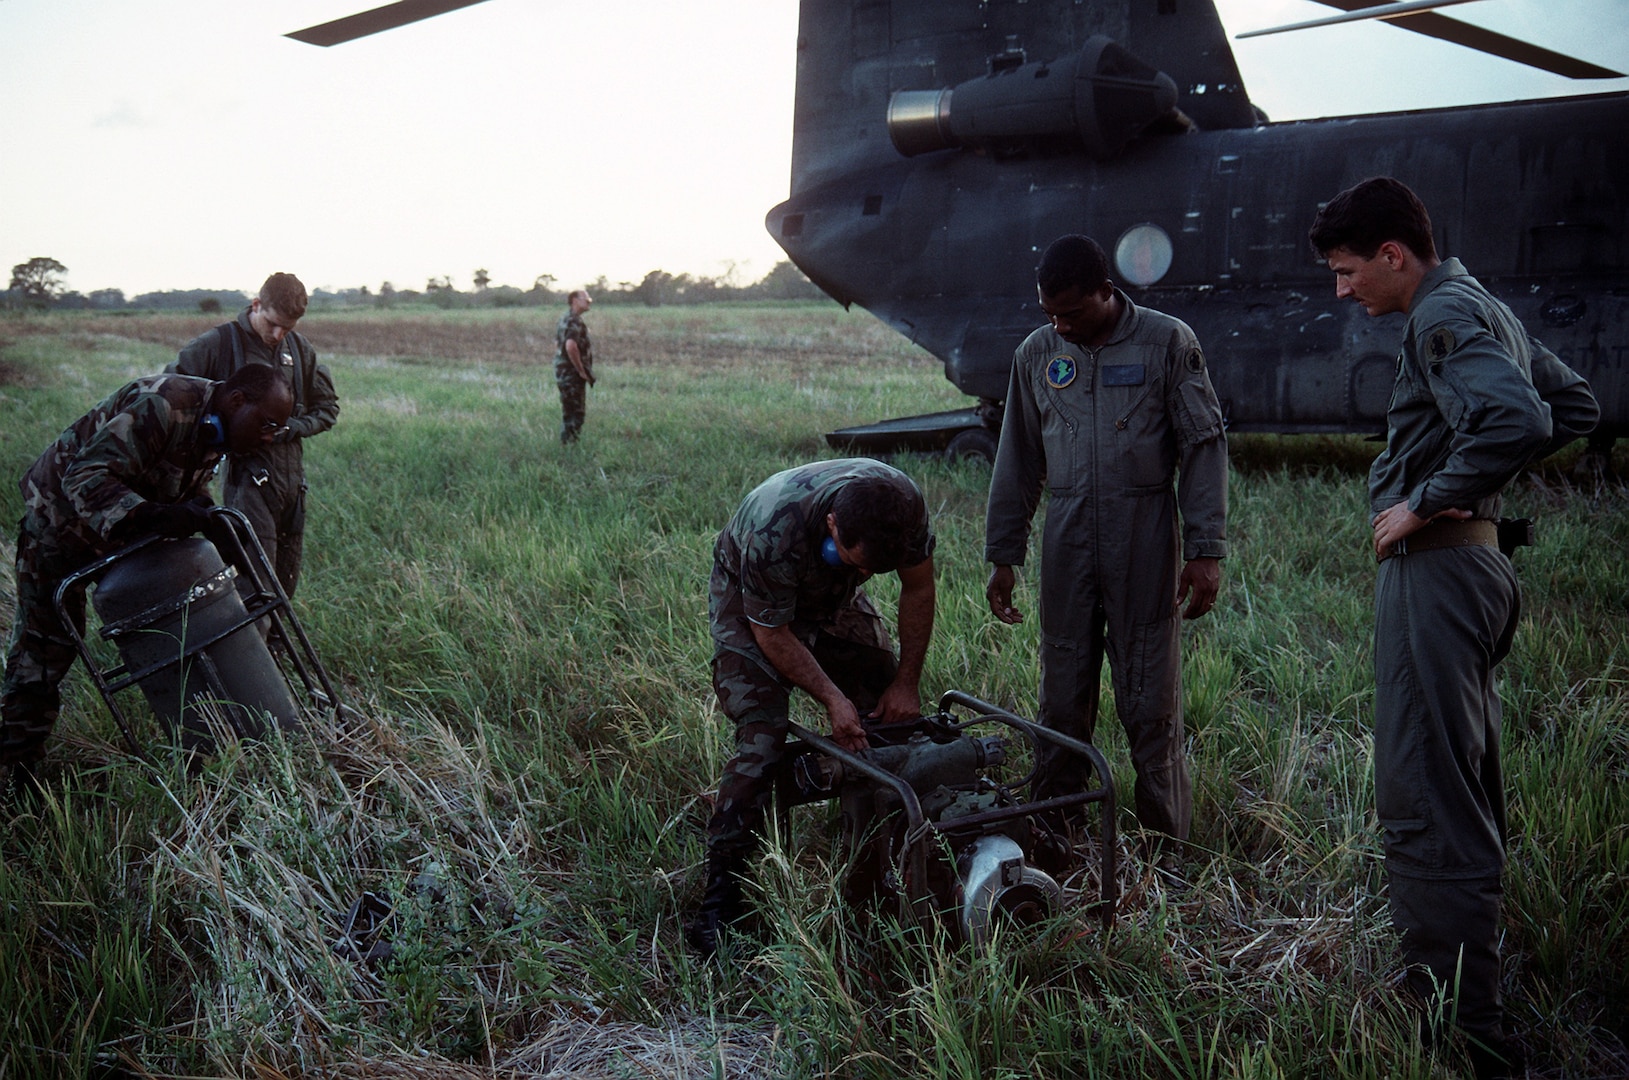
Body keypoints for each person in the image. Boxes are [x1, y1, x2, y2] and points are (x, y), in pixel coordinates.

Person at [1309, 176, 1598, 1078]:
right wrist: (1473, 497)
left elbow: (1516, 416)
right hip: (1481, 566)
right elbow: (1574, 406)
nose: (1342, 288)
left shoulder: (1439, 317)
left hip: (1437, 572)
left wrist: (1429, 502)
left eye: (1349, 270)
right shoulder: (1476, 304)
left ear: (1394, 255)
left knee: (1426, 795)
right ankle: (1464, 986)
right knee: (1461, 782)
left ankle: (1462, 1028)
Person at [984, 234, 1228, 851]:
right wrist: (1003, 555)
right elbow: (1017, 459)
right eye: (1050, 314)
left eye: (1074, 312)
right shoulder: (1036, 354)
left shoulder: (1168, 342)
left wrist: (1205, 549)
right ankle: (1052, 833)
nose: (1062, 326)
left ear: (1106, 292)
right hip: (1066, 540)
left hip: (1144, 535)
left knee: (1149, 700)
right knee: (1061, 699)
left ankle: (1164, 846)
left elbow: (1203, 445)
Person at [1, 366, 294, 795]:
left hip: (122, 535)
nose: (269, 436)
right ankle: (14, 775)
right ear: (236, 402)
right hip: (59, 528)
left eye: (279, 428)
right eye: (267, 423)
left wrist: (207, 520)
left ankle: (214, 738)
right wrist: (156, 516)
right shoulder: (165, 404)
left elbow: (177, 481)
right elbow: (84, 477)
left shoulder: (216, 430)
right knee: (43, 656)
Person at [688, 458, 937, 957]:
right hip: (753, 604)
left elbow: (918, 586)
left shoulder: (903, 506)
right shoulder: (771, 527)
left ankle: (878, 860)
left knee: (891, 715)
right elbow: (772, 633)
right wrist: (831, 698)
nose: (867, 574)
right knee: (763, 735)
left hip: (831, 596)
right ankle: (720, 900)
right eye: (857, 561)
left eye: (874, 570)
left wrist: (906, 683)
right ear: (831, 526)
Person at [168, 272, 338, 600]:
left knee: (285, 583)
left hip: (292, 483)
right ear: (256, 304)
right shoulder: (217, 344)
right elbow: (172, 395)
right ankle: (250, 650)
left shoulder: (301, 350)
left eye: (288, 328)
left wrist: (292, 429)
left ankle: (276, 650)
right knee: (256, 583)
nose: (278, 335)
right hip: (246, 479)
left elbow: (327, 409)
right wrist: (215, 433)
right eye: (273, 323)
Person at [555, 289, 595, 444]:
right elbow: (570, 346)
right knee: (575, 413)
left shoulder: (564, 318)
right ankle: (570, 446)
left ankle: (567, 444)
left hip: (563, 372)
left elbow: (557, 344)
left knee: (568, 410)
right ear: (575, 301)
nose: (589, 302)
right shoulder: (574, 321)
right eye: (586, 299)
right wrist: (581, 370)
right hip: (571, 374)